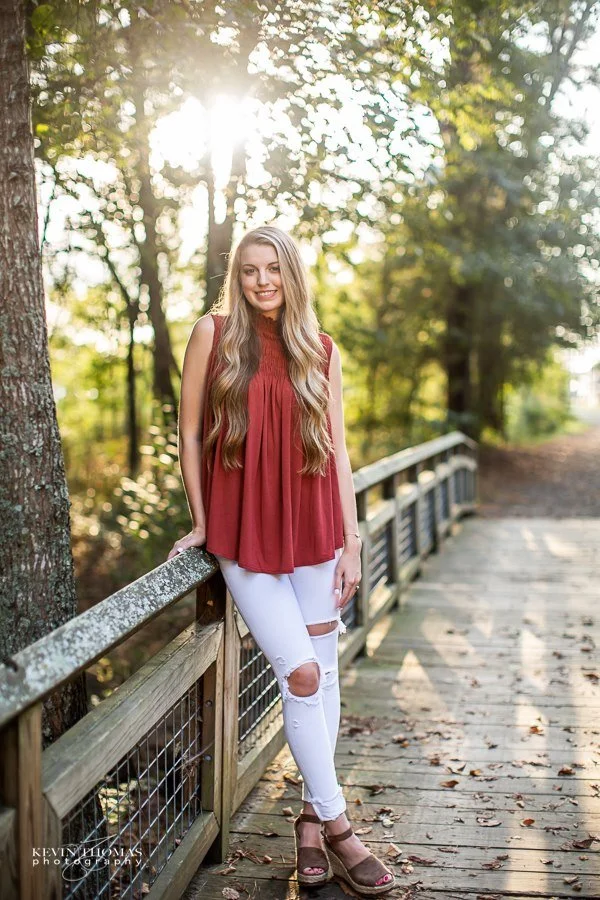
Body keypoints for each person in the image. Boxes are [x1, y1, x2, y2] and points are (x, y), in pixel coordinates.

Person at [168, 225, 395, 895]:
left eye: (273, 269)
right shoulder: (213, 336)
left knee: (322, 673)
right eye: (248, 271)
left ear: (292, 275)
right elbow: (186, 432)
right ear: (236, 279)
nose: (261, 281)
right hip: (244, 535)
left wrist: (351, 541)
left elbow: (339, 448)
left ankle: (306, 820)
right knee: (299, 674)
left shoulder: (321, 350)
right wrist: (203, 519)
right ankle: (342, 828)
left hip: (316, 529)